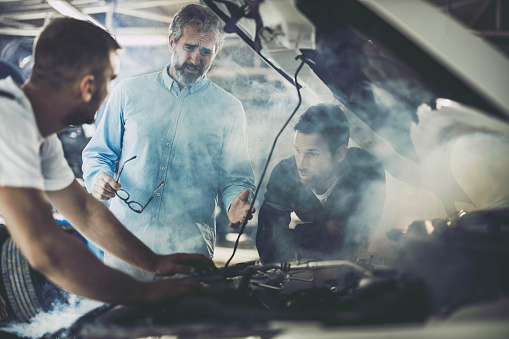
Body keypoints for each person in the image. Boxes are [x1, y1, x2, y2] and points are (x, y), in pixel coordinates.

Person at [0, 18, 216, 308]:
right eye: (110, 80)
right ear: (88, 86)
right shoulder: (8, 123)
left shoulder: (39, 134)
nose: (109, 92)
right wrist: (144, 294)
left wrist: (154, 262)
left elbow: (85, 212)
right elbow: (45, 249)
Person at [82, 4, 255, 280]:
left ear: (216, 52)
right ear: (172, 42)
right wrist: (97, 177)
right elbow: (99, 153)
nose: (196, 60)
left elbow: (237, 176)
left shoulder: (229, 109)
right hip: (126, 242)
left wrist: (238, 201)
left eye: (206, 51)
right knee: (120, 320)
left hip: (188, 249)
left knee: (179, 321)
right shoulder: (128, 92)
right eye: (189, 48)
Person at [256, 103, 386, 262]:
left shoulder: (366, 170)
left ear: (339, 154)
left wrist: (293, 235)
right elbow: (267, 246)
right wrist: (326, 229)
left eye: (313, 154)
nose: (301, 164)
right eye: (297, 150)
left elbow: (347, 244)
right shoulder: (284, 173)